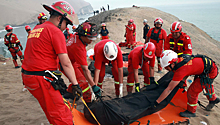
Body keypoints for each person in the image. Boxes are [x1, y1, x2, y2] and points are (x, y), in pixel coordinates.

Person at [21, 1, 82, 125]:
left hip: (29, 77)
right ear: (60, 18)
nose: (67, 27)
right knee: (61, 115)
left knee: (52, 109)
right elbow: (66, 63)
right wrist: (75, 84)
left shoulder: (37, 29)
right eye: (67, 23)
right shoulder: (55, 32)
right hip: (41, 79)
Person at [153, 50, 220, 117]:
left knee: (192, 92)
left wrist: (157, 102)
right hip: (208, 67)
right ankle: (213, 99)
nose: (166, 69)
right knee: (207, 85)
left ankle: (191, 111)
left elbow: (169, 89)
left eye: (167, 67)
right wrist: (182, 80)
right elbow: (188, 70)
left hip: (210, 72)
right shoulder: (181, 59)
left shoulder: (181, 70)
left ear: (173, 64)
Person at [63, 22, 101, 103]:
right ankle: (89, 103)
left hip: (72, 60)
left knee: (82, 77)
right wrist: (93, 86)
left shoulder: (77, 36)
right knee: (83, 83)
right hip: (66, 64)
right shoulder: (79, 48)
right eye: (90, 38)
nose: (91, 41)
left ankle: (70, 92)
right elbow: (85, 69)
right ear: (83, 35)